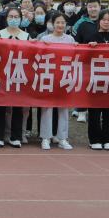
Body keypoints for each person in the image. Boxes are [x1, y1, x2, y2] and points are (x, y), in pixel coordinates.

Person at [0, 6, 29, 148]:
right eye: (10, 17)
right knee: (0, 106)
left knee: (17, 107)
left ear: (21, 19)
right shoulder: (0, 34)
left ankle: (15, 137)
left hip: (19, 73)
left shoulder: (26, 36)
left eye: (16, 17)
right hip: (1, 74)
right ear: (6, 19)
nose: (13, 19)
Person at [86, 9, 109, 150]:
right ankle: (94, 139)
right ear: (99, 21)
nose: (106, 22)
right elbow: (83, 57)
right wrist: (90, 48)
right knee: (94, 112)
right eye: (103, 19)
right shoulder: (92, 37)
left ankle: (108, 139)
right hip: (95, 79)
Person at [38, 11, 75, 150]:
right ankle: (46, 138)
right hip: (49, 77)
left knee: (63, 108)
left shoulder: (70, 39)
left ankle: (62, 138)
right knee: (47, 108)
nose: (60, 25)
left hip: (64, 77)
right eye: (57, 22)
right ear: (52, 24)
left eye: (63, 22)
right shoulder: (45, 38)